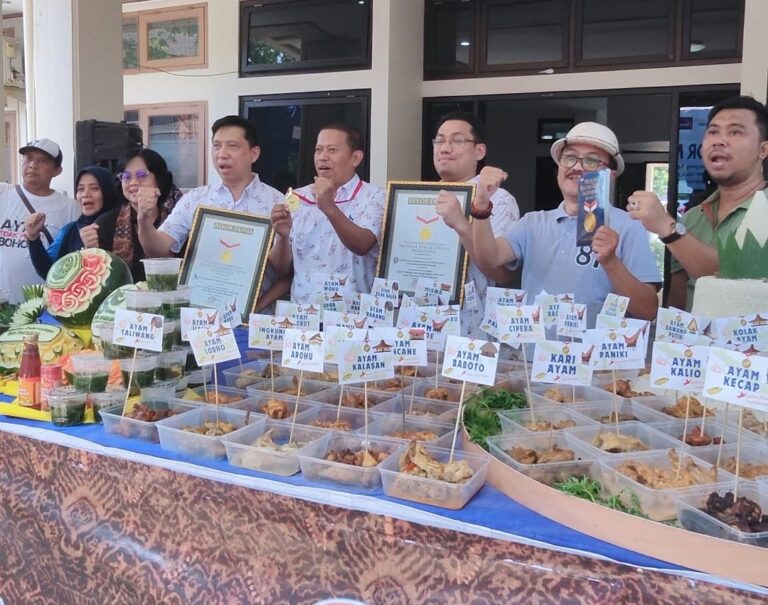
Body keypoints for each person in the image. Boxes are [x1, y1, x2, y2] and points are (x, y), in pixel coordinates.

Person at [471, 122, 660, 326]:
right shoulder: (532, 223)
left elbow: (648, 310)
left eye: (592, 161)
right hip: (533, 355)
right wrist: (481, 207)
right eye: (569, 157)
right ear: (559, 167)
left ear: (611, 176)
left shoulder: (628, 226)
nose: (577, 167)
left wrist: (611, 262)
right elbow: (489, 258)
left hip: (594, 356)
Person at [628, 96, 768, 310]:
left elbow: (732, 280)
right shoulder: (693, 216)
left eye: (735, 132)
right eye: (713, 131)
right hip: (695, 343)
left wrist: (667, 227)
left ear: (763, 150)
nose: (719, 140)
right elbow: (678, 301)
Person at [135, 116, 287, 310]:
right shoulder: (195, 199)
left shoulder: (276, 202)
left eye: (232, 146)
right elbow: (157, 249)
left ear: (254, 153)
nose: (222, 154)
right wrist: (144, 220)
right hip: (200, 316)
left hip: (255, 318)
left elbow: (284, 271)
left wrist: (283, 236)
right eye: (216, 146)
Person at [269, 123, 385, 303]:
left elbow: (363, 245)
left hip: (353, 318)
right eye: (318, 150)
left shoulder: (375, 196)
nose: (322, 157)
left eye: (332, 150)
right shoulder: (296, 198)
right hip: (303, 317)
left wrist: (329, 207)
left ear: (355, 158)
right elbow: (281, 270)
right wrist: (283, 237)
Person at [432, 111, 520, 337]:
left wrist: (461, 225)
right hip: (421, 329)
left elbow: (503, 274)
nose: (444, 148)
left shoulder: (499, 200)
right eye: (440, 140)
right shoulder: (415, 199)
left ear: (479, 151)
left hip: (471, 335)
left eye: (457, 140)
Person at [80, 149, 183, 282]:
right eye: (126, 177)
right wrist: (90, 250)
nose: (133, 182)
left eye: (141, 174)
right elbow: (98, 279)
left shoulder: (178, 219)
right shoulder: (106, 223)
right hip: (124, 300)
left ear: (159, 179)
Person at [0, 139, 78, 302]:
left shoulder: (70, 207)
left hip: (43, 306)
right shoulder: (3, 192)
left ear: (57, 170)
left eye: (43, 160)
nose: (33, 165)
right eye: (28, 158)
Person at [27, 165, 119, 278]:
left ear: (108, 191)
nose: (86, 194)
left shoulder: (123, 226)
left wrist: (95, 251)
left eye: (94, 188)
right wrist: (33, 239)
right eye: (80, 189)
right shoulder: (70, 230)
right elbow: (49, 272)